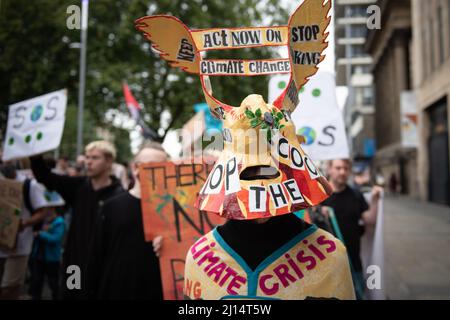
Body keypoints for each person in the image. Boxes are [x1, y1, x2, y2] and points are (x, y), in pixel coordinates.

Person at [29, 140, 124, 299]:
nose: (89, 162)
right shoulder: (78, 186)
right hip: (75, 265)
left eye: (95, 158)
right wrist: (35, 157)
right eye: (87, 157)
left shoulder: (119, 195)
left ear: (109, 162)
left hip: (104, 265)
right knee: (71, 295)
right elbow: (45, 177)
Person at [88, 144, 167, 299]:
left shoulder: (175, 211)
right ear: (136, 168)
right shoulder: (111, 207)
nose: (158, 171)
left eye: (163, 166)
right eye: (151, 165)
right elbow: (95, 258)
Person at [321, 159, 382, 299]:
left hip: (353, 263)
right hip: (325, 268)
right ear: (329, 169)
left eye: (346, 168)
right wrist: (317, 212)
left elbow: (370, 220)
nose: (342, 172)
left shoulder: (356, 195)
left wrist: (375, 200)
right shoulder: (319, 196)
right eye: (338, 168)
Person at [0, 162, 49, 299]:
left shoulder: (29, 185)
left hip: (18, 247)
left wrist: (24, 223)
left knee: (9, 289)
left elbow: (42, 211)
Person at [29, 191, 66, 300]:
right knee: (37, 281)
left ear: (52, 209)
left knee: (53, 282)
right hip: (39, 257)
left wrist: (41, 234)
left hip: (51, 259)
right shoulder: (42, 221)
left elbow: (55, 239)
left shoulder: (59, 222)